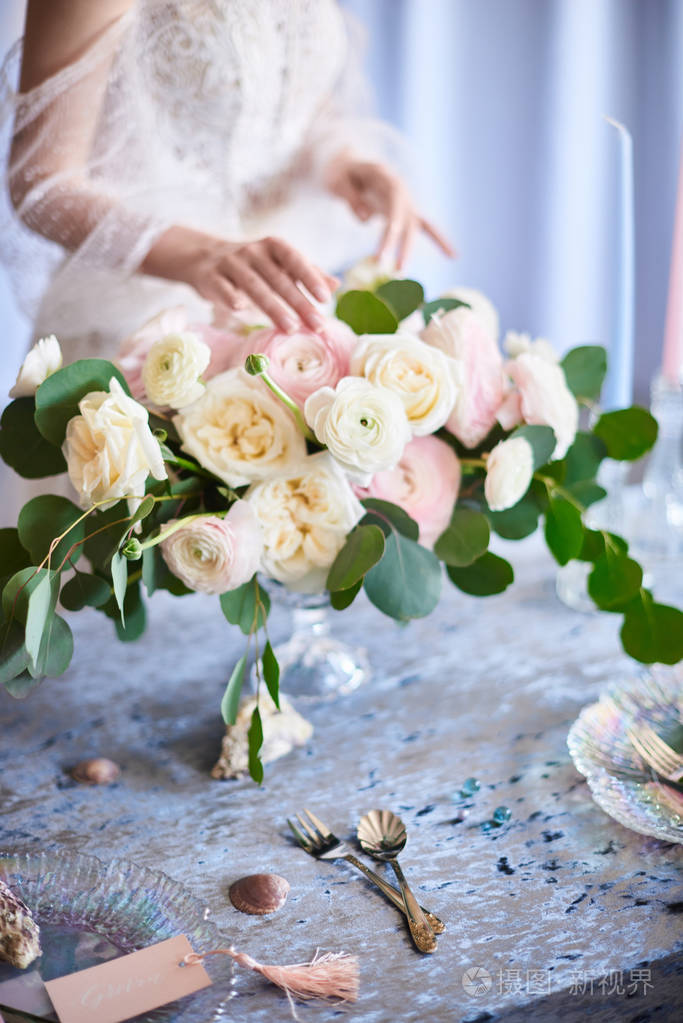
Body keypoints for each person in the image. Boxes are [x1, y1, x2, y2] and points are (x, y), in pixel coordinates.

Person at [2, 0, 453, 366]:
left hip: (285, 325)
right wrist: (202, 254)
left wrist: (342, 163)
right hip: (141, 340)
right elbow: (41, 184)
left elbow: (287, 104)